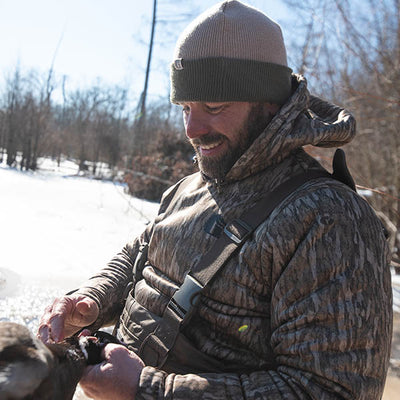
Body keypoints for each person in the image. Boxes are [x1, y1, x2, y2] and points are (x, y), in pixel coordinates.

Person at [38, 1, 393, 399]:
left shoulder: (329, 220)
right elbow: (140, 253)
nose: (192, 128)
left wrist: (148, 389)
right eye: (186, 107)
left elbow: (331, 390)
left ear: (270, 104)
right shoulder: (188, 188)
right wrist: (91, 298)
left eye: (214, 106)